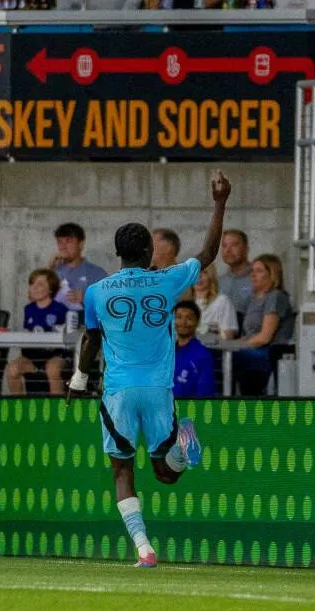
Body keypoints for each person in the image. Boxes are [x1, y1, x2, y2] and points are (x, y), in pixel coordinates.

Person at [67, 170, 232, 568]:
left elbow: (91, 339)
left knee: (123, 471)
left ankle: (144, 549)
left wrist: (78, 380)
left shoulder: (97, 291)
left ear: (118, 253)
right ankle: (184, 445)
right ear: (148, 253)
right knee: (166, 473)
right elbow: (208, 254)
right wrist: (220, 201)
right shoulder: (165, 281)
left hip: (119, 391)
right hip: (159, 390)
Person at [234, 254, 294, 396]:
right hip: (251, 349)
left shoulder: (276, 297)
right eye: (252, 271)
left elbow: (264, 337)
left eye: (259, 271)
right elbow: (248, 334)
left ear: (272, 274)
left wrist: (235, 346)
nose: (253, 275)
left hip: (269, 353)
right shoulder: (253, 299)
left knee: (231, 358)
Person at [5, 268, 69, 396]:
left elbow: (68, 336)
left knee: (52, 369)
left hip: (55, 356)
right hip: (31, 357)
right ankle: (19, 410)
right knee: (12, 369)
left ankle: (56, 412)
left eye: (40, 284)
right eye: (32, 284)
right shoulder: (28, 309)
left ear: (51, 289)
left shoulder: (61, 309)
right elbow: (28, 333)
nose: (34, 288)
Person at [49, 223, 107, 314]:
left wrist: (86, 299)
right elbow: (37, 302)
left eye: (68, 241)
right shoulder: (53, 271)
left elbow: (109, 307)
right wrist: (49, 269)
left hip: (85, 326)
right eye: (60, 242)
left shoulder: (97, 273)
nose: (63, 247)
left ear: (81, 244)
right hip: (54, 326)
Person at [172, 301, 216, 398]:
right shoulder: (164, 354)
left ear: (197, 322)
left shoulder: (203, 356)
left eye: (189, 318)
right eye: (178, 317)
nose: (183, 322)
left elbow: (205, 395)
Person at [193, 265, 238, 339]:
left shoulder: (222, 301)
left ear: (211, 276)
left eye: (204, 272)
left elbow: (228, 335)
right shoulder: (183, 303)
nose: (199, 276)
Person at [219, 229, 253, 323]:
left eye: (234, 245)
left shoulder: (258, 278)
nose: (228, 250)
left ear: (246, 249)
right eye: (224, 246)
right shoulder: (219, 281)